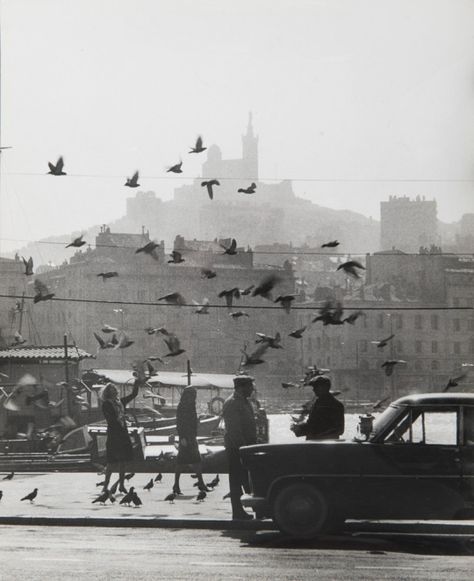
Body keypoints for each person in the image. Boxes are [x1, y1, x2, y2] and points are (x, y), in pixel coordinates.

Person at [222, 375, 257, 520]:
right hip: (237, 449)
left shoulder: (244, 402)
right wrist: (245, 450)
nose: (252, 389)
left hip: (245, 447)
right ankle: (237, 511)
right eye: (250, 386)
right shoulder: (232, 403)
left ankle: (252, 507)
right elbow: (235, 431)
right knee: (236, 480)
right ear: (241, 387)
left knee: (245, 478)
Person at [100, 377, 143, 493]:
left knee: (123, 461)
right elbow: (110, 420)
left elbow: (133, 394)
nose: (115, 390)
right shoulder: (106, 404)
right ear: (108, 392)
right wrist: (121, 417)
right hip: (114, 434)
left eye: (115, 389)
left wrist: (137, 382)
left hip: (123, 433)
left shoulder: (120, 402)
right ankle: (105, 486)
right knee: (111, 462)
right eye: (112, 389)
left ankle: (121, 485)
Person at [173, 385, 208, 495]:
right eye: (193, 395)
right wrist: (182, 437)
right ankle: (176, 484)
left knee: (195, 460)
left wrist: (197, 421)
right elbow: (180, 423)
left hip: (191, 436)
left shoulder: (190, 405)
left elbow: (191, 421)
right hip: (186, 436)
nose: (194, 397)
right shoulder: (182, 406)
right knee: (182, 462)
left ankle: (200, 482)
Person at [291, 375, 345, 440]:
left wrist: (301, 429)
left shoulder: (334, 405)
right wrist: (300, 428)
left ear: (324, 387)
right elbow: (315, 424)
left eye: (316, 387)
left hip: (322, 445)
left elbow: (337, 429)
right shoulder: (319, 403)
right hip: (319, 444)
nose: (313, 389)